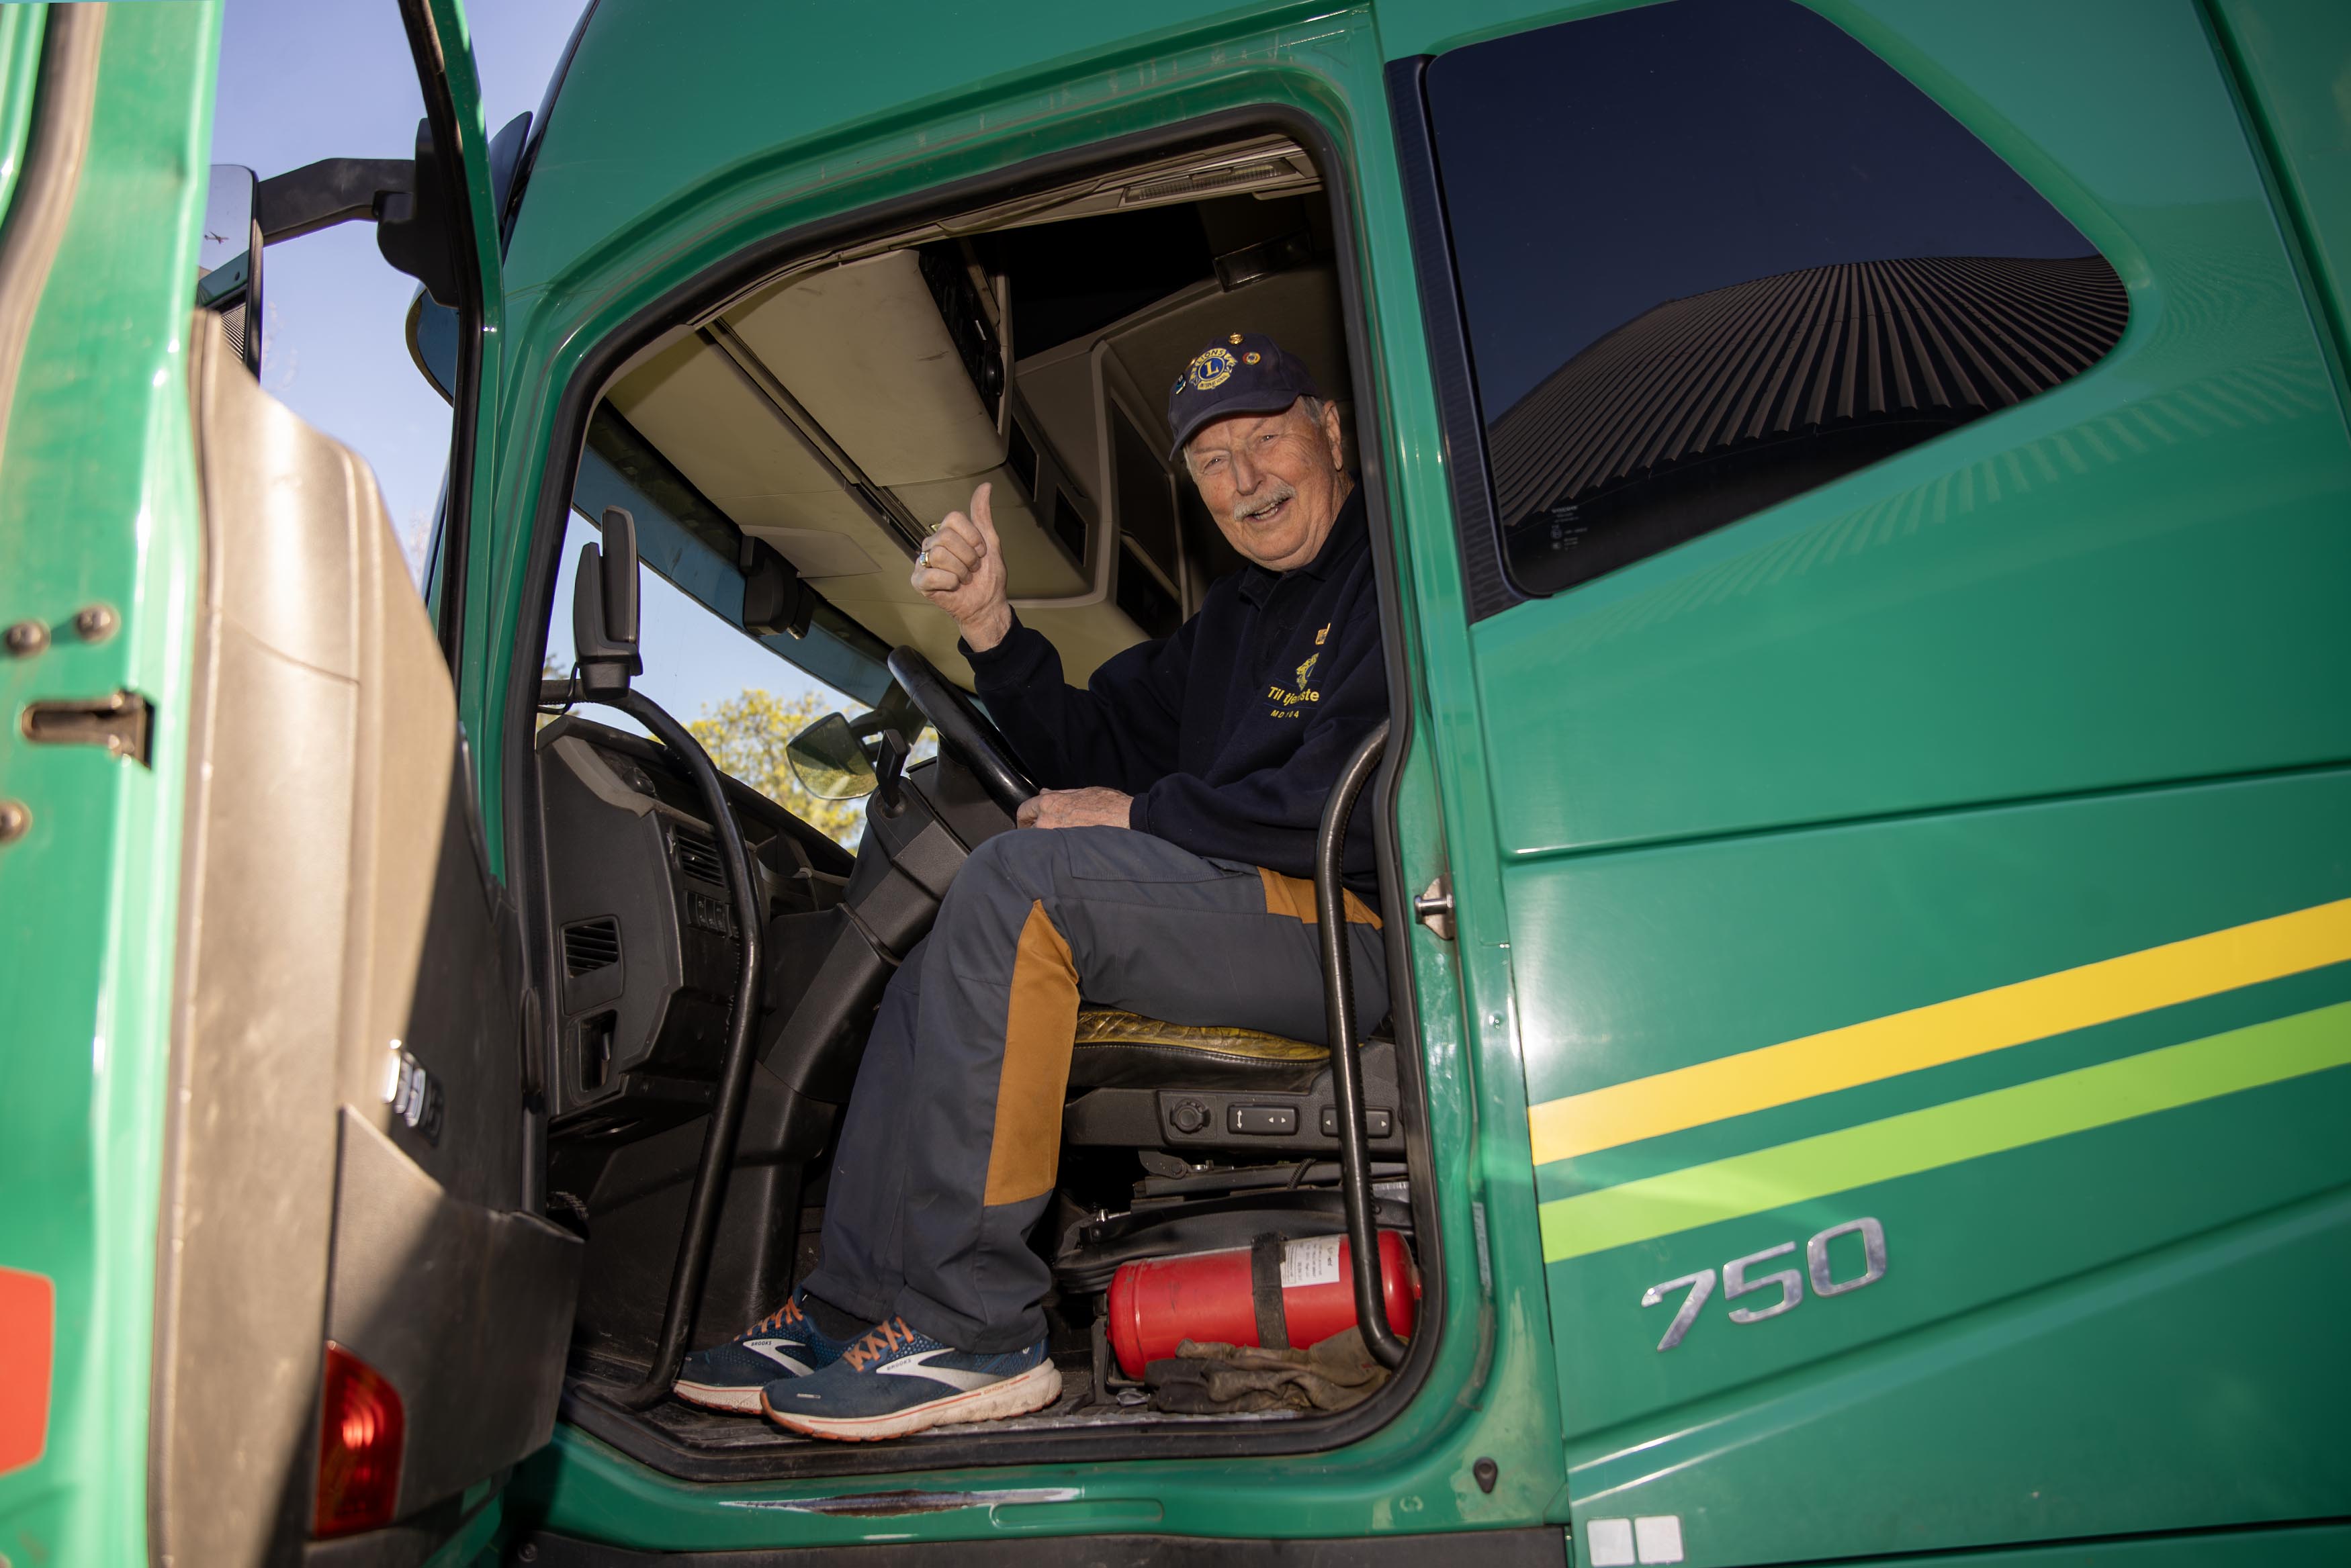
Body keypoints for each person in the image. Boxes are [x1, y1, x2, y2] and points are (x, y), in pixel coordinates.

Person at [674, 332, 1390, 1441]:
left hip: (1348, 918)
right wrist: (991, 631)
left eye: (1267, 438)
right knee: (942, 955)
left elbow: (1348, 791)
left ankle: (975, 1324)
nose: (1244, 480)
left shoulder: (1397, 575)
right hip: (1243, 900)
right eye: (1211, 460)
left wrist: (1144, 814)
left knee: (1021, 886)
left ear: (1332, 431)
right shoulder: (1233, 627)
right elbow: (1091, 738)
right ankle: (854, 1308)